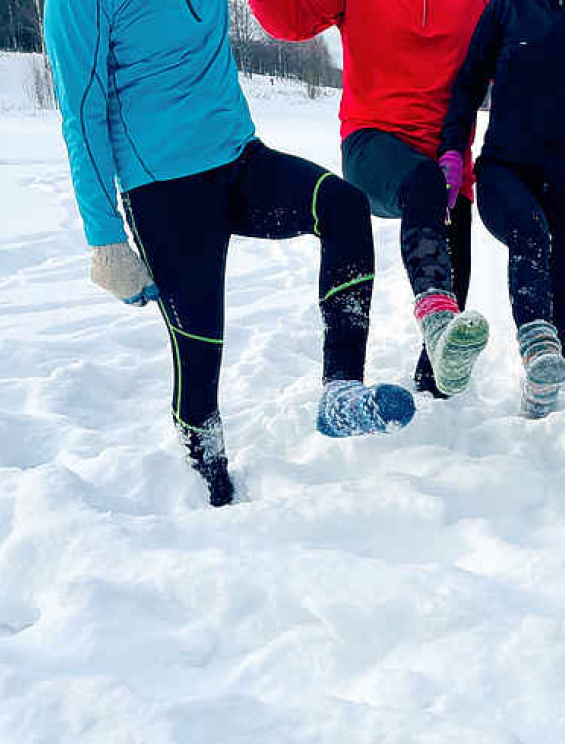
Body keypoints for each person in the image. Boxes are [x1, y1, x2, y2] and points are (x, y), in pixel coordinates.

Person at [44, 0, 416, 507]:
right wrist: (105, 238)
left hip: (241, 159)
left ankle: (341, 392)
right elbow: (80, 111)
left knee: (342, 206)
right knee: (200, 351)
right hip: (164, 189)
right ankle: (207, 482)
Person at [249, 0, 491, 399]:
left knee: (446, 358)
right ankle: (432, 319)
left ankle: (437, 396)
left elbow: (518, 52)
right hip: (373, 145)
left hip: (448, 164)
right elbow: (287, 22)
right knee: (422, 181)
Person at [440, 0, 565, 418]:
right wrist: (451, 151)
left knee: (561, 324)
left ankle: (539, 400)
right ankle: (534, 347)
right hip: (502, 173)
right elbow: (469, 81)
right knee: (531, 232)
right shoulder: (509, 7)